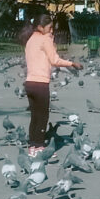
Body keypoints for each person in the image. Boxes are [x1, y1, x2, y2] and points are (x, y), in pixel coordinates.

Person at [21, 13, 82, 156]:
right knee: (43, 117)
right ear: (40, 27)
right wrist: (72, 63)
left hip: (29, 83)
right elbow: (54, 60)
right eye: (49, 28)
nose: (51, 31)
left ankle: (32, 147)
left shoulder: (30, 39)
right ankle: (40, 146)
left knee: (35, 116)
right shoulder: (45, 39)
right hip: (41, 83)